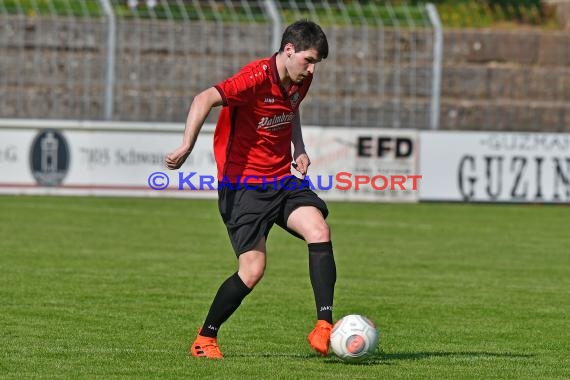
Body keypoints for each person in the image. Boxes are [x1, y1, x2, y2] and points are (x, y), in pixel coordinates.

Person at [165, 20, 336, 359]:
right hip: (242, 186)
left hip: (281, 180)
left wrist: (298, 148)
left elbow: (292, 110)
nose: (312, 68)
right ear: (289, 50)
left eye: (316, 62)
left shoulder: (302, 78)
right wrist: (187, 145)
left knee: (319, 229)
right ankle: (205, 338)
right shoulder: (255, 77)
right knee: (253, 270)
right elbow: (204, 98)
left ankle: (324, 326)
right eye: (309, 60)